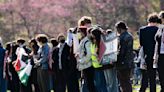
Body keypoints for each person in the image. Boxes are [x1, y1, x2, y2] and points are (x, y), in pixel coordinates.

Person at [139, 13, 159, 92]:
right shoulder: (158, 29)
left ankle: (142, 90)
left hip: (146, 55)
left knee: (144, 76)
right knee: (153, 78)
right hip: (156, 55)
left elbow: (141, 43)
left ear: (148, 20)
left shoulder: (142, 30)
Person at [77, 26, 97, 92]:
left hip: (88, 66)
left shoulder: (87, 42)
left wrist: (81, 61)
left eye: (78, 32)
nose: (77, 34)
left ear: (82, 32)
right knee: (88, 85)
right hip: (85, 66)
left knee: (90, 85)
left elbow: (89, 55)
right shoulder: (82, 41)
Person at [115, 21, 134, 92]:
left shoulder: (122, 37)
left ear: (119, 28)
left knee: (123, 82)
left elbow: (121, 51)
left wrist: (116, 59)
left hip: (122, 63)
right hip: (129, 62)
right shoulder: (129, 36)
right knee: (127, 81)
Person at [154, 11, 164, 92]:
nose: (160, 19)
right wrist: (155, 56)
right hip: (160, 55)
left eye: (161, 18)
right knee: (161, 75)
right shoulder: (160, 28)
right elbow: (157, 43)